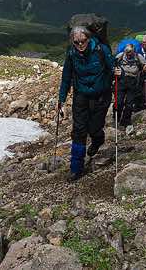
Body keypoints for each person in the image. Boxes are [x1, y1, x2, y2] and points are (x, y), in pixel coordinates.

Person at [57, 26, 116, 182]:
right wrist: (61, 98)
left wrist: (119, 72)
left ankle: (98, 140)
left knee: (95, 128)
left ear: (89, 38)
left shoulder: (101, 50)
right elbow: (66, 77)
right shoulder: (72, 53)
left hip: (101, 95)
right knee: (79, 131)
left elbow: (113, 68)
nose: (80, 45)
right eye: (76, 42)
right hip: (81, 96)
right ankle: (76, 169)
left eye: (82, 41)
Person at [114, 44, 146, 133]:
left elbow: (145, 65)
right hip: (121, 80)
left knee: (129, 103)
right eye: (127, 53)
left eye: (130, 53)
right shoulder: (120, 56)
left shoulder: (138, 56)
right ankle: (116, 118)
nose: (128, 55)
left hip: (133, 81)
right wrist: (115, 71)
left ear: (134, 51)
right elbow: (113, 65)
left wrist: (145, 67)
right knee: (119, 101)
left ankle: (125, 121)